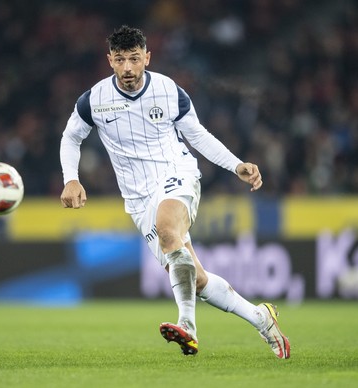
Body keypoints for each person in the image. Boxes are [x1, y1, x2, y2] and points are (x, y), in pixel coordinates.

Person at [59, 25, 290, 359]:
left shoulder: (169, 91)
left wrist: (235, 164)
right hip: (138, 200)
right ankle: (260, 317)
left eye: (134, 59)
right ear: (109, 60)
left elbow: (197, 135)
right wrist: (71, 178)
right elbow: (71, 137)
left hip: (177, 174)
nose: (127, 67)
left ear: (147, 58)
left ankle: (188, 326)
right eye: (120, 59)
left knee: (168, 228)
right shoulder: (93, 100)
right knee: (195, 279)